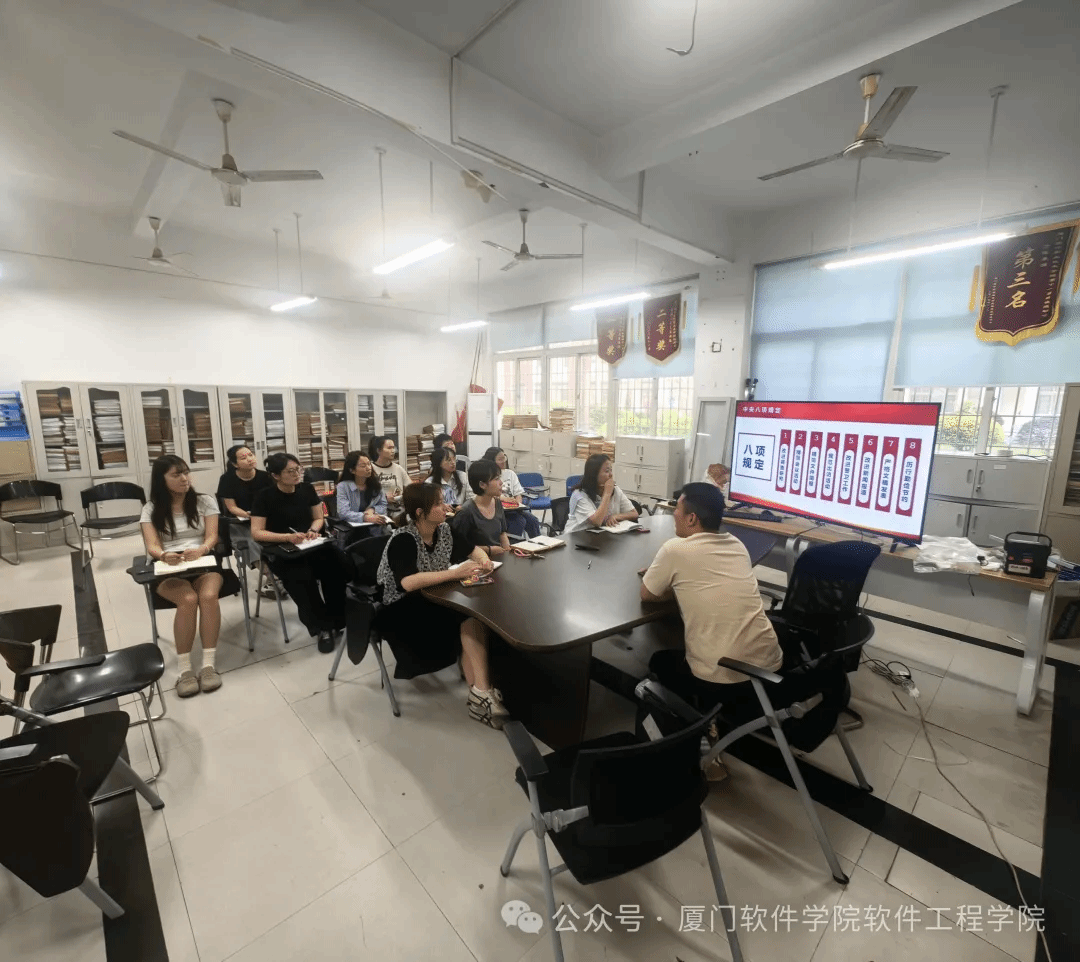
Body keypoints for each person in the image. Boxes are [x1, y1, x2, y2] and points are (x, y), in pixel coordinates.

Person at [638, 483, 786, 780]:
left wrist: (674, 582)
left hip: (723, 681)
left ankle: (702, 733)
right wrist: (684, 581)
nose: (674, 514)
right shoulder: (737, 544)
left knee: (659, 662)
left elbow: (648, 594)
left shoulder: (675, 549)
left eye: (677, 509)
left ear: (692, 518)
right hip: (770, 669)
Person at [376, 483, 509, 728]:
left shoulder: (444, 529)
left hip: (433, 595)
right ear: (420, 512)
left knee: (471, 614)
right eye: (438, 503)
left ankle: (480, 692)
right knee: (466, 615)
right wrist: (455, 573)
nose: (445, 507)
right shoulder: (404, 538)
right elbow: (407, 583)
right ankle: (481, 694)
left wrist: (484, 561)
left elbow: (473, 551)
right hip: (400, 607)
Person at [140, 455, 224, 699]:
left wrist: (202, 549)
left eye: (186, 472)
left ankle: (208, 666)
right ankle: (185, 670)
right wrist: (164, 555)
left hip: (202, 560)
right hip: (169, 566)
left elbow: (212, 536)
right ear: (162, 479)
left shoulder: (204, 501)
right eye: (176, 475)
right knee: (187, 599)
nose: (185, 478)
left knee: (208, 596)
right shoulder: (151, 508)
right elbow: (152, 545)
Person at [251, 452, 348, 653]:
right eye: (290, 471)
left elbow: (319, 518)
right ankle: (322, 627)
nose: (297, 474)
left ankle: (338, 620)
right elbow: (257, 532)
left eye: (298, 469)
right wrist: (287, 537)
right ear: (276, 475)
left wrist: (313, 530)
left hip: (312, 544)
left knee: (338, 565)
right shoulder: (264, 496)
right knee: (301, 578)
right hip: (284, 550)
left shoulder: (307, 489)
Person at [217, 444, 277, 598]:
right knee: (251, 541)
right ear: (235, 464)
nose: (250, 459)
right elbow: (231, 507)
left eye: (251, 455)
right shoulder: (227, 479)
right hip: (240, 522)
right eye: (243, 458)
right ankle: (273, 579)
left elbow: (273, 501)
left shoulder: (266, 477)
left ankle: (277, 579)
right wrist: (248, 515)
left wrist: (260, 515)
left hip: (264, 519)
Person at [564, 453, 639, 534]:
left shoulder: (615, 490)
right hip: (576, 537)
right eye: (607, 471)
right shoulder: (579, 495)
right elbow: (597, 521)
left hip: (598, 536)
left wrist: (615, 516)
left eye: (611, 470)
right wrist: (607, 494)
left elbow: (634, 514)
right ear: (594, 474)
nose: (611, 475)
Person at [451, 459, 511, 558]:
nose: (501, 482)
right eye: (496, 479)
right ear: (482, 485)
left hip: (498, 558)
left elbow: (502, 534)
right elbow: (460, 547)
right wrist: (489, 550)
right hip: (477, 561)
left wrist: (507, 551)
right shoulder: (466, 511)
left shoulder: (497, 503)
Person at [482, 446, 541, 539]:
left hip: (512, 509)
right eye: (500, 459)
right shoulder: (487, 475)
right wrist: (504, 499)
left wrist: (518, 503)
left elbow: (518, 493)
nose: (503, 461)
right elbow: (487, 494)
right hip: (497, 510)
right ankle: (512, 545)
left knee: (533, 521)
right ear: (492, 461)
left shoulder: (510, 473)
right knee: (519, 522)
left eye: (504, 458)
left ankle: (538, 544)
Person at [336, 451, 391, 526]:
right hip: (352, 528)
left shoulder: (375, 483)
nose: (368, 468)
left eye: (369, 464)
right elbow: (343, 513)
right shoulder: (343, 487)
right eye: (363, 466)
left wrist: (373, 510)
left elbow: (383, 505)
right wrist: (364, 517)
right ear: (352, 470)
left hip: (375, 526)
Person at [368, 436, 410, 510]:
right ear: (378, 450)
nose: (393, 451)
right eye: (389, 448)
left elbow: (410, 488)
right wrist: (383, 498)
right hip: (377, 511)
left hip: (398, 510)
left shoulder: (398, 468)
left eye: (393, 448)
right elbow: (363, 495)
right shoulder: (369, 469)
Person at [425, 447, 470, 512]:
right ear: (439, 463)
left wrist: (463, 508)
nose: (453, 462)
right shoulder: (429, 482)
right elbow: (429, 506)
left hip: (461, 514)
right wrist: (442, 506)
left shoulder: (463, 476)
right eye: (449, 460)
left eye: (454, 459)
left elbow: (471, 498)